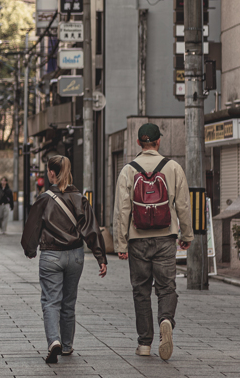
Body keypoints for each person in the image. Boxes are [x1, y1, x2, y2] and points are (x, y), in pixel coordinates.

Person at [113, 122, 192, 361]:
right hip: (166, 237)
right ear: (159, 142)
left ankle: (144, 343)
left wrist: (121, 244)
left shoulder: (128, 169)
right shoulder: (173, 167)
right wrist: (186, 235)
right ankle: (166, 319)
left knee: (141, 291)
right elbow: (184, 205)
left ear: (139, 143)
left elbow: (122, 210)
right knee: (167, 287)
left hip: (137, 239)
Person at [22, 155, 107, 363]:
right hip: (75, 256)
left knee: (51, 301)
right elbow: (92, 229)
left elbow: (31, 228)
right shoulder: (80, 198)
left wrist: (30, 249)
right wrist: (100, 257)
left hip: (51, 255)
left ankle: (54, 341)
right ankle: (67, 345)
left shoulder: (43, 199)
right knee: (69, 302)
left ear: (52, 172)